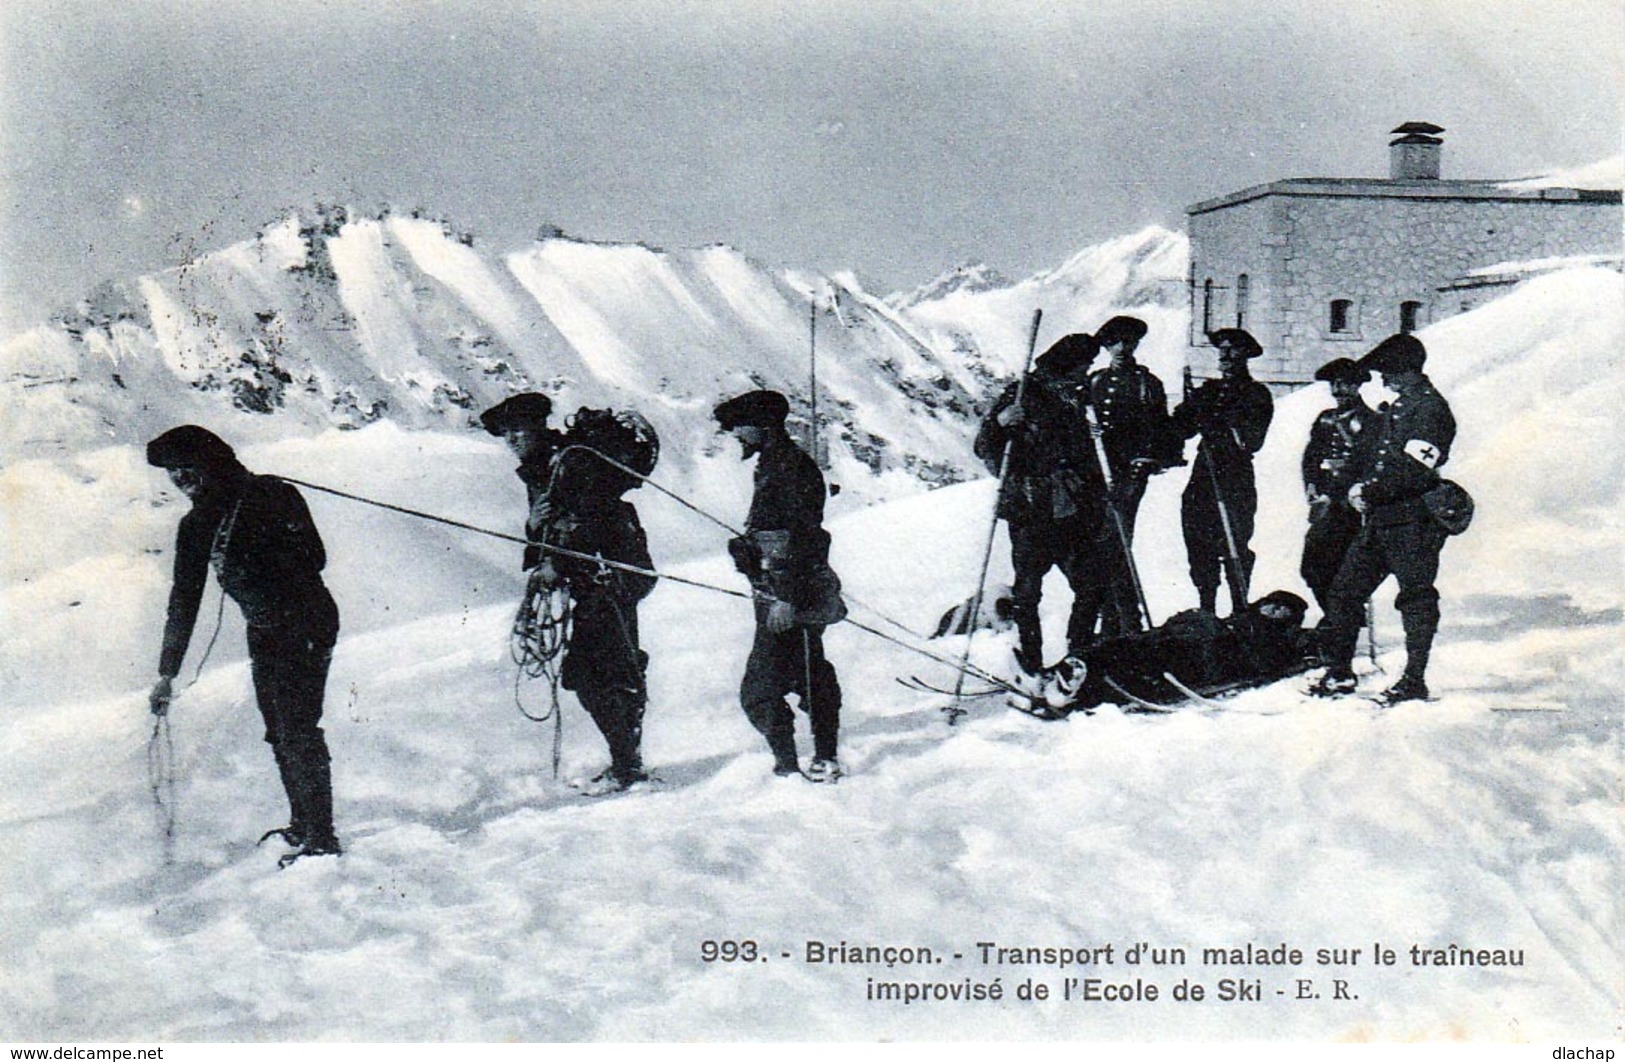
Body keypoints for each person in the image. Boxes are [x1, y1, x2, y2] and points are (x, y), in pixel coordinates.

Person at [145, 425, 342, 867]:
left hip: (306, 619)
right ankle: (303, 824)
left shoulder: (271, 495)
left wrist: (260, 556)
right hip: (266, 629)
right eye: (173, 471)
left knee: (297, 726)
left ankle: (322, 837)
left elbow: (315, 557)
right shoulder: (195, 526)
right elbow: (184, 597)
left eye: (187, 467)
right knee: (277, 728)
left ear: (211, 461)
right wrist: (167, 672)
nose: (180, 478)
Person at [482, 395, 656, 795]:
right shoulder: (545, 469)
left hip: (610, 580)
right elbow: (552, 527)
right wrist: (534, 527)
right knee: (600, 672)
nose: (512, 440)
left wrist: (554, 564)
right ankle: (627, 761)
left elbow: (590, 521)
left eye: (518, 430)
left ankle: (628, 766)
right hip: (596, 583)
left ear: (539, 426)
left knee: (596, 674)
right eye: (506, 433)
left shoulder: (572, 464)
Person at [1311, 334, 1457, 704]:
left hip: (1413, 522)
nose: (1383, 380)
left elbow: (1414, 470)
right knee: (1343, 594)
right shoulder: (1401, 407)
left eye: (1388, 372)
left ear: (1408, 371)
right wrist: (1354, 487)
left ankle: (1414, 680)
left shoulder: (1430, 410)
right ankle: (1340, 673)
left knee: (1415, 598)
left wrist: (1369, 492)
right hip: (1381, 521)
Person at [714, 389, 846, 783]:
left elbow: (800, 537)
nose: (736, 434)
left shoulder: (787, 467)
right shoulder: (779, 463)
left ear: (762, 426)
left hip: (786, 595)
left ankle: (790, 769)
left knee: (761, 690)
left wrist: (786, 598)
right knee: (809, 672)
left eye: (741, 426)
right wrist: (747, 550)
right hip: (780, 591)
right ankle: (822, 757)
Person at [973, 333, 1109, 675]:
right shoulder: (1022, 394)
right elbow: (985, 446)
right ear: (1068, 365)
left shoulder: (1075, 398)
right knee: (1028, 591)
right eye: (1084, 365)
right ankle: (1031, 662)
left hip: (1071, 509)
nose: (1087, 371)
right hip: (1030, 508)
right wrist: (1002, 422)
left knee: (1090, 584)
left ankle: (1078, 655)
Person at [1021, 591, 1314, 717]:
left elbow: (1265, 663)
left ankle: (1069, 687)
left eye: (1281, 612)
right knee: (1122, 645)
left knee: (1133, 659)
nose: (1273, 611)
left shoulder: (1276, 638)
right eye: (1271, 604)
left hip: (1201, 660)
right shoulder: (1236, 618)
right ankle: (1051, 676)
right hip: (1179, 641)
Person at [1087, 315, 1180, 635]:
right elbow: (1078, 419)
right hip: (1096, 475)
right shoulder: (1095, 381)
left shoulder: (1146, 383)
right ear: (1107, 346)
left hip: (1128, 475)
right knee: (1100, 548)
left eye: (1129, 341)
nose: (1122, 348)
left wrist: (1144, 461)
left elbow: (1160, 430)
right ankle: (1111, 622)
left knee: (1116, 543)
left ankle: (1127, 623)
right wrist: (1090, 431)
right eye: (1115, 342)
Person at [1170, 328, 1275, 615]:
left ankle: (1240, 609)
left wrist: (1216, 422)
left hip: (1234, 475)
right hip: (1204, 473)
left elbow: (1251, 440)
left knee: (1234, 540)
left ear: (1246, 356)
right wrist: (1187, 411)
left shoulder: (1256, 394)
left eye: (1233, 350)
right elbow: (1180, 429)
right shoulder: (1209, 391)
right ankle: (1207, 610)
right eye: (1222, 350)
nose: (1225, 355)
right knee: (1198, 538)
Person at [1300, 358, 1373, 614]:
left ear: (1357, 386)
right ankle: (1335, 616)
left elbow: (1364, 463)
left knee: (1345, 567)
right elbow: (1311, 456)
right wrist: (1311, 484)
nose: (1338, 390)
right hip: (1326, 502)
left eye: (1344, 384)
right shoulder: (1325, 419)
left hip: (1352, 503)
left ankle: (1344, 618)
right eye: (1334, 384)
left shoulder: (1370, 420)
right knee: (1311, 566)